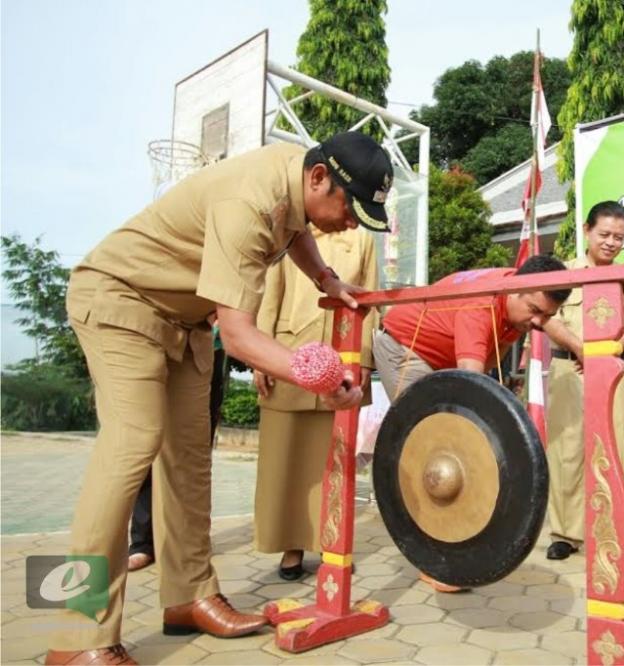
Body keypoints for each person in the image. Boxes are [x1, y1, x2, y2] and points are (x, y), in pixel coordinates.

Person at [46, 131, 391, 665]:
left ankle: (188, 596)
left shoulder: (296, 175)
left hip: (182, 319)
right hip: (119, 297)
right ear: (319, 177)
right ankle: (75, 635)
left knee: (188, 461)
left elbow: (295, 229)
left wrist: (325, 276)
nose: (351, 223)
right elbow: (240, 337)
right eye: (350, 208)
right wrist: (319, 375)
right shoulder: (248, 201)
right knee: (131, 447)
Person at [373, 255, 570, 591]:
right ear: (516, 291)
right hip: (406, 349)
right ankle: (436, 561)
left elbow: (541, 317)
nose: (539, 322)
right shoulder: (479, 308)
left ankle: (458, 536)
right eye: (535, 312)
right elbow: (469, 392)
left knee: (457, 441)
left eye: (546, 316)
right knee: (436, 447)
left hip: (442, 356)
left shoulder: (518, 290)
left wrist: (586, 350)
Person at [253, 226, 378, 580]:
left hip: (343, 353)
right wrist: (261, 355)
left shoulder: (362, 239)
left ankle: (332, 545)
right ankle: (290, 547)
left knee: (334, 460)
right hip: (288, 354)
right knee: (284, 459)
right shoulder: (290, 234)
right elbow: (268, 297)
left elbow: (369, 299)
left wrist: (364, 357)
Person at [542, 201, 624, 563]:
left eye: (619, 237)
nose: (610, 243)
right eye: (604, 234)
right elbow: (546, 318)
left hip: (613, 373)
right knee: (566, 451)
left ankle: (614, 531)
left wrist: (609, 352)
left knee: (615, 452)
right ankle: (565, 534)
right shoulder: (562, 274)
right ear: (587, 230)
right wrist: (581, 348)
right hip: (568, 370)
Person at [126, 323, 228, 573]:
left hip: (205, 345)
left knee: (194, 452)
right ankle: (143, 541)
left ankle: (188, 542)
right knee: (142, 445)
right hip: (149, 337)